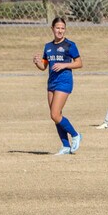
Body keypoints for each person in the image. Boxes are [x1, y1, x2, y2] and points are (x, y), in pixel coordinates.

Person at [32, 17, 83, 155]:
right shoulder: (48, 47)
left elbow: (79, 63)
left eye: (62, 28)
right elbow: (44, 66)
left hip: (64, 81)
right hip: (52, 83)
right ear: (52, 29)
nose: (60, 31)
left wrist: (64, 65)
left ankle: (75, 135)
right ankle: (66, 146)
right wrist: (37, 62)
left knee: (54, 114)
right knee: (56, 115)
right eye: (57, 28)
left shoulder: (69, 45)